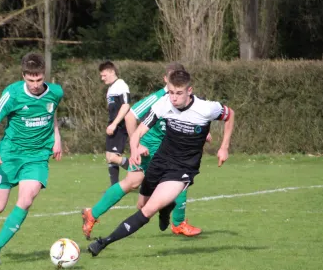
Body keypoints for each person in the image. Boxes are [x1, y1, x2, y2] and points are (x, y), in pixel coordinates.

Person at [87, 69, 234, 257]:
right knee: (141, 205)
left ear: (190, 90)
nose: (174, 98)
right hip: (160, 161)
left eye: (179, 93)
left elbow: (230, 115)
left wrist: (224, 147)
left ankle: (103, 242)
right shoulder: (163, 104)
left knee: (147, 211)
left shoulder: (206, 108)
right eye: (171, 92)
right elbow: (139, 131)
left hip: (183, 168)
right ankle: (167, 207)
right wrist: (134, 149)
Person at [81, 62, 205, 240]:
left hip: (166, 148)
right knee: (178, 178)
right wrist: (136, 145)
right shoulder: (158, 98)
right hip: (151, 147)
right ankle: (178, 224)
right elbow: (131, 116)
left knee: (132, 183)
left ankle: (92, 213)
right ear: (165, 79)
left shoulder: (183, 98)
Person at [0, 53, 64, 265]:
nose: (35, 84)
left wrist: (57, 139)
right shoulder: (12, 95)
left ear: (44, 75)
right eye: (30, 80)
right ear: (23, 76)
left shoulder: (55, 92)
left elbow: (52, 114)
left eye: (39, 79)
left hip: (37, 156)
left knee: (26, 199)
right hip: (9, 156)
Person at [98, 61, 132, 186]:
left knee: (113, 157)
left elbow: (126, 105)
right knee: (109, 157)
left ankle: (139, 171)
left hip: (120, 125)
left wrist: (115, 124)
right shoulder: (111, 88)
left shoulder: (121, 85)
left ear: (112, 72)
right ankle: (114, 187)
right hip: (113, 124)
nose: (102, 78)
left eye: (104, 75)